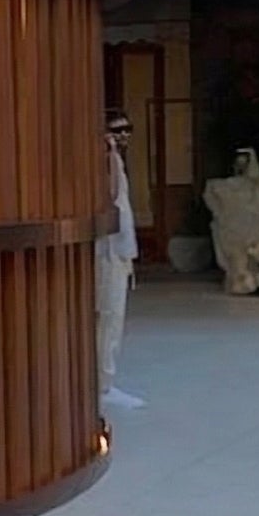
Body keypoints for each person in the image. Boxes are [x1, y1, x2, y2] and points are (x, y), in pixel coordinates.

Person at [97, 109, 144, 414]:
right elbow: (112, 195)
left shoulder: (117, 162)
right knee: (108, 316)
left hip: (120, 250)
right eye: (116, 131)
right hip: (107, 251)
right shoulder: (106, 162)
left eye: (127, 130)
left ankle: (105, 380)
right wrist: (110, 155)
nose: (123, 136)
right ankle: (103, 383)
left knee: (114, 318)